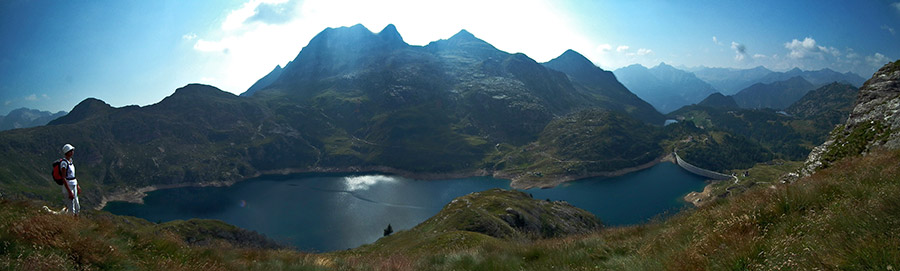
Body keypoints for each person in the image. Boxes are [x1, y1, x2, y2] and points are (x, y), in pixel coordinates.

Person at [60, 144, 80, 216]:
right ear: (67, 152)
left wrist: (77, 186)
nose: (72, 152)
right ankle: (72, 223)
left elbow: (73, 176)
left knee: (77, 206)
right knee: (71, 208)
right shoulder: (64, 163)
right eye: (71, 151)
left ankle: (76, 221)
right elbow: (63, 177)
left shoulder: (70, 161)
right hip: (69, 186)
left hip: (73, 184)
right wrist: (69, 191)